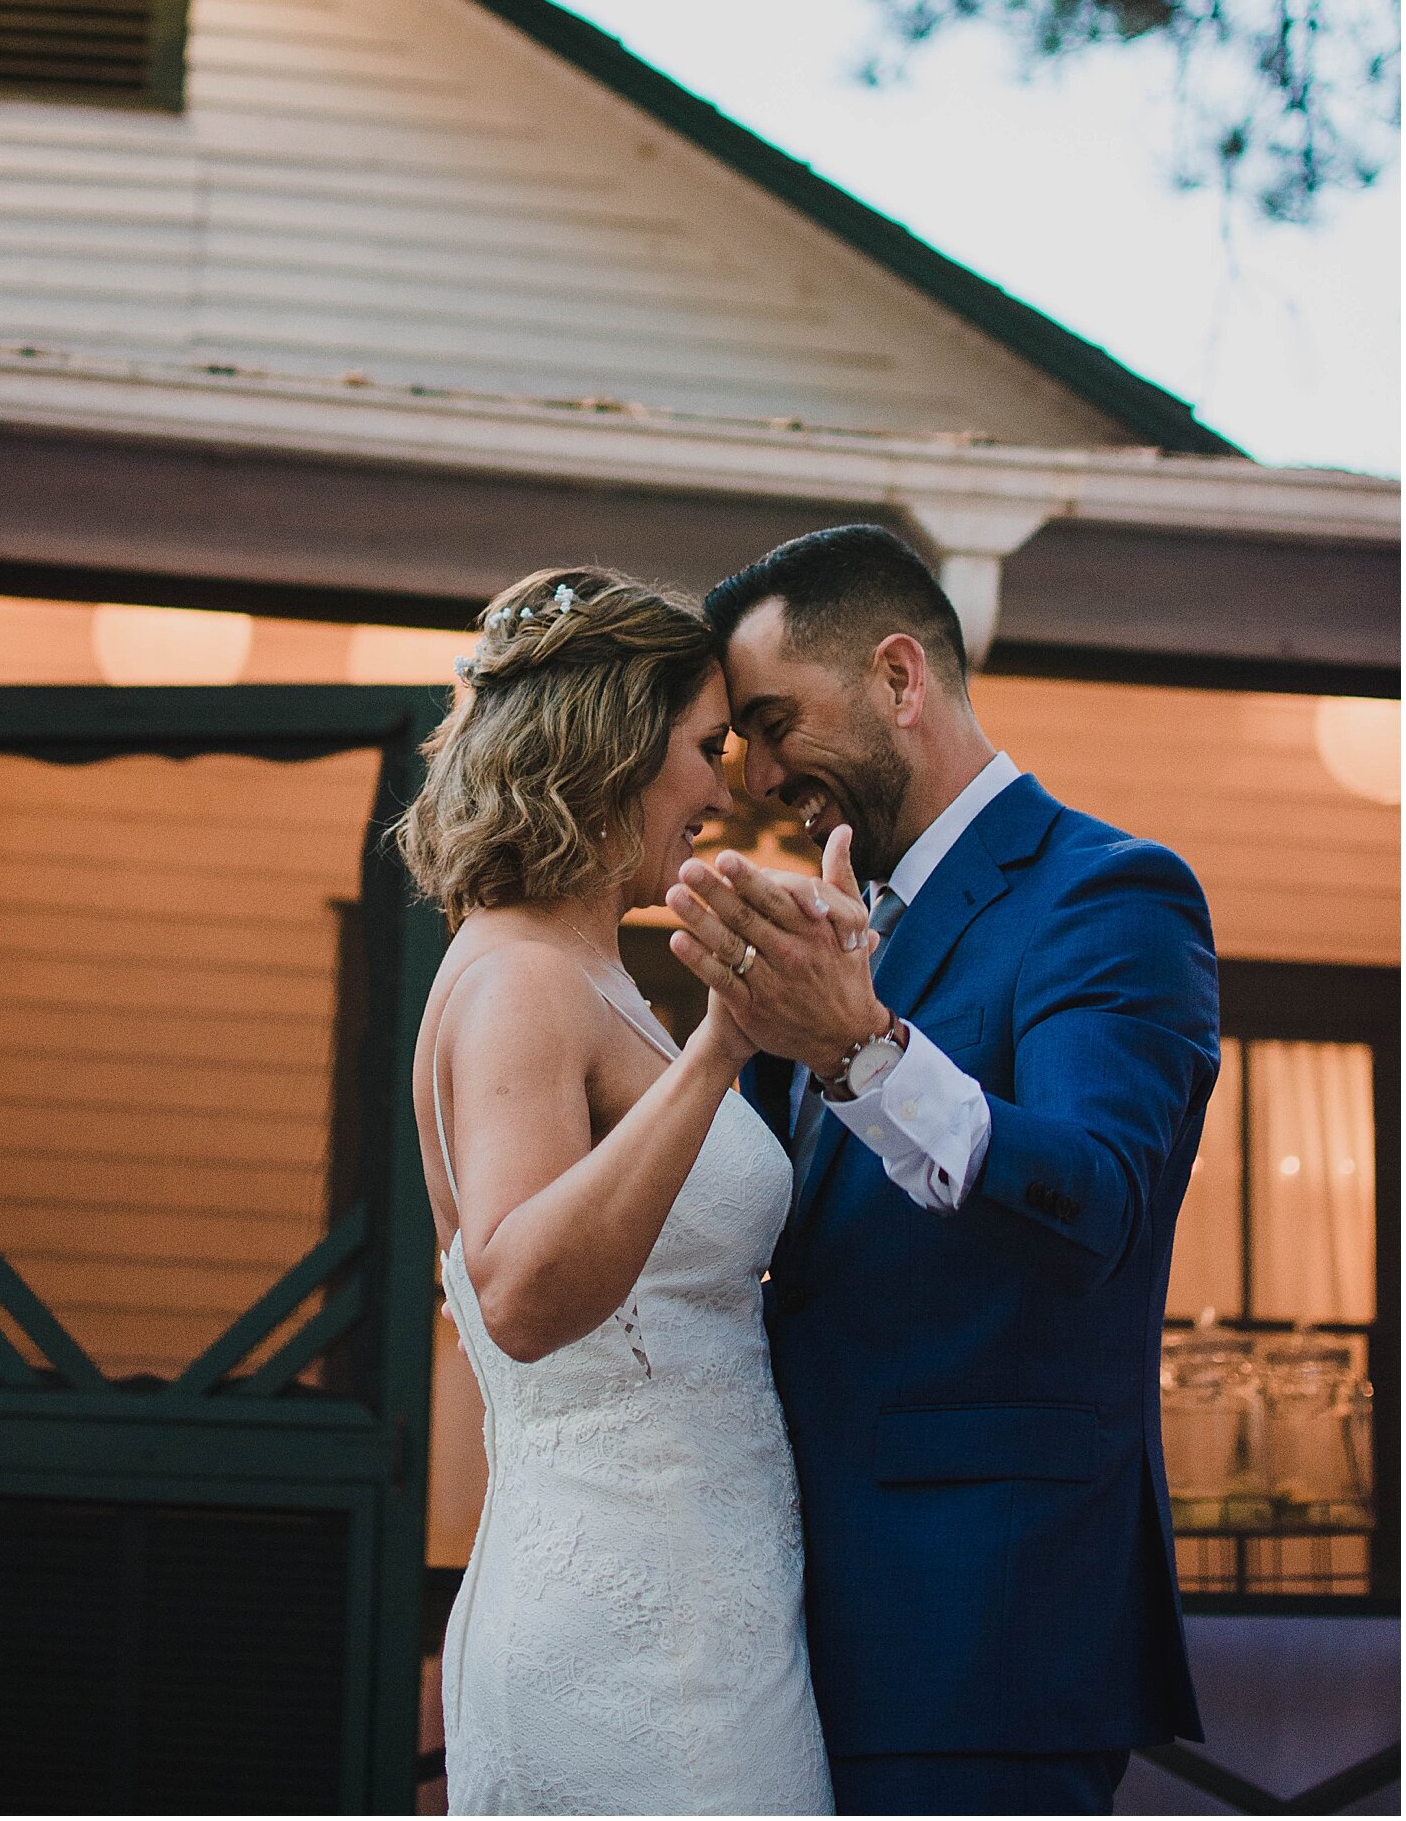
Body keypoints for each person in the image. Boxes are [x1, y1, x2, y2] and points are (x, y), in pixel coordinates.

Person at [666, 523, 1221, 1819]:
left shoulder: (1110, 895)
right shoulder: (852, 926)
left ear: (901, 680)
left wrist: (861, 1050)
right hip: (799, 1623)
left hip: (981, 1624)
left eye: (772, 721)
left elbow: (1099, 1201)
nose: (757, 773)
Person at [399, 567, 833, 1818]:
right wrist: (720, 1047)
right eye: (707, 746)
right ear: (613, 745)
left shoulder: (592, 973)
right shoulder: (521, 979)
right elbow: (523, 1293)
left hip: (713, 1610)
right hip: (633, 1633)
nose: (729, 786)